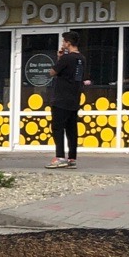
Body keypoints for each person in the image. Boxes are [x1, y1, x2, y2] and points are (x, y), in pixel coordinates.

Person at [47, 31, 87, 167]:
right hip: (74, 98)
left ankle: (59, 157)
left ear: (68, 43)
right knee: (72, 129)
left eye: (64, 42)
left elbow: (52, 72)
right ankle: (72, 157)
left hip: (61, 99)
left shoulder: (66, 58)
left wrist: (59, 58)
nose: (63, 44)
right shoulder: (82, 58)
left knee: (57, 128)